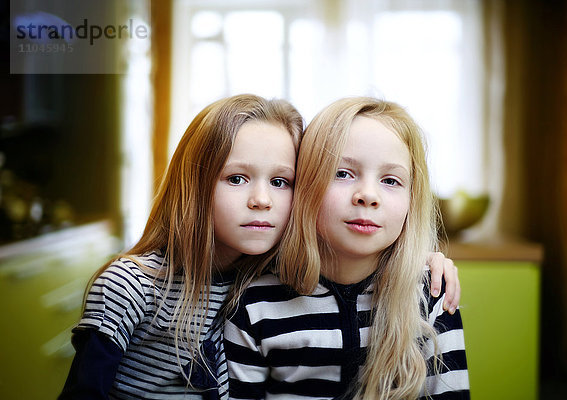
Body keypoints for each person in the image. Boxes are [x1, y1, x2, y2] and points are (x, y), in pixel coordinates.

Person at [59, 94, 461, 400]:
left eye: (280, 181)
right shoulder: (135, 286)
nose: (261, 200)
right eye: (236, 178)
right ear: (195, 185)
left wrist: (422, 262)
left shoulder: (262, 274)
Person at [224, 97, 470, 399]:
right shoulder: (254, 305)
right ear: (306, 183)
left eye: (391, 180)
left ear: (411, 199)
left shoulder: (430, 295)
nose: (367, 195)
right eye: (343, 173)